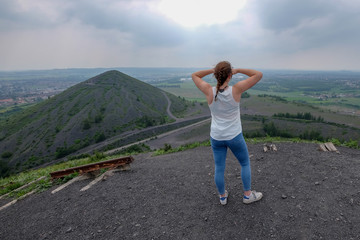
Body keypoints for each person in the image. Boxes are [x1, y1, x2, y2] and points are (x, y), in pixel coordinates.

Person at [191, 61, 263, 205]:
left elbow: (194, 75)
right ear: (230, 75)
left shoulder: (208, 90)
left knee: (219, 167)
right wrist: (238, 70)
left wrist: (213, 70)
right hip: (234, 136)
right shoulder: (236, 90)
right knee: (244, 163)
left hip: (216, 137)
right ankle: (247, 195)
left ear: (216, 75)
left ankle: (222, 197)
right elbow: (258, 74)